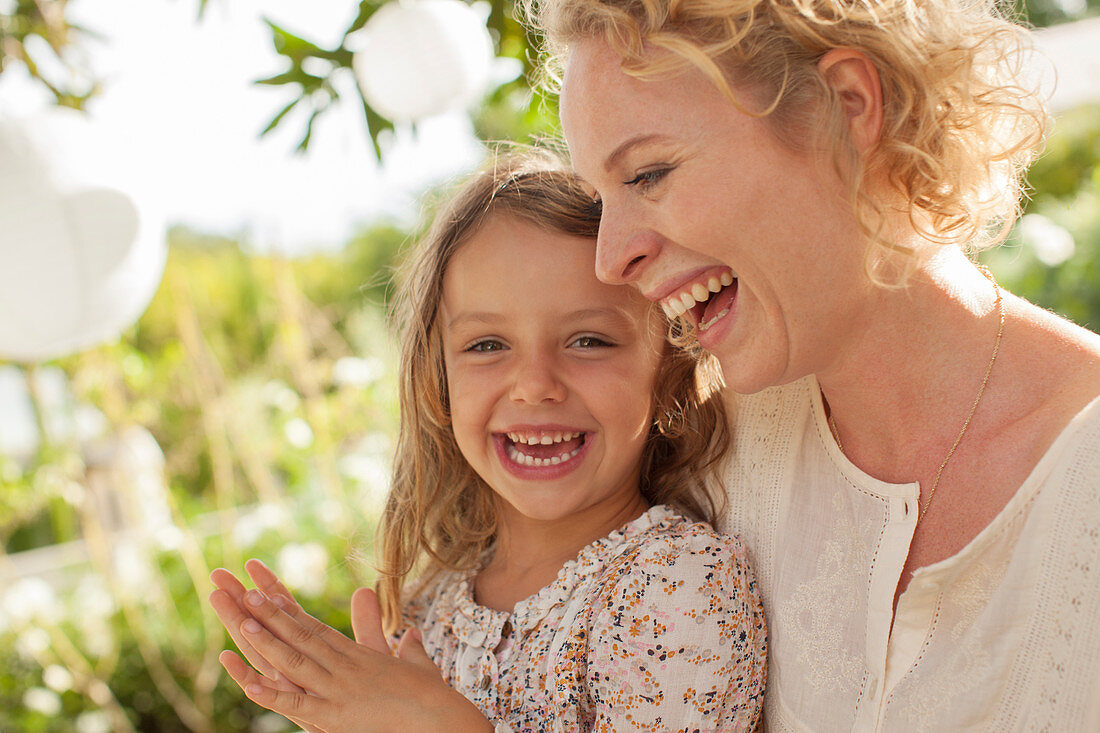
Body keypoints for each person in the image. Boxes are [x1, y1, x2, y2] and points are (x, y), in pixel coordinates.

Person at [520, 0, 1100, 728]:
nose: (612, 258)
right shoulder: (706, 462)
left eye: (649, 173)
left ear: (848, 105)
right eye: (602, 199)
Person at [208, 154, 767, 732]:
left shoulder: (677, 588)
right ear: (438, 382)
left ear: (668, 368)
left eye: (589, 340)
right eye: (486, 345)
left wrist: (432, 722)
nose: (534, 385)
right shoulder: (430, 605)